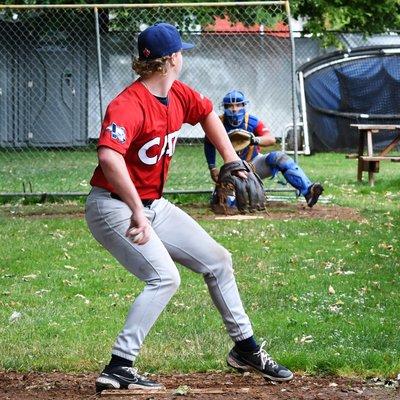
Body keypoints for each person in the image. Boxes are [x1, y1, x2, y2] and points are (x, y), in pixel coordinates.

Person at [85, 23, 293, 393]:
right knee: (164, 277)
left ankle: (245, 349)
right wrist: (135, 209)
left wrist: (233, 162)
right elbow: (109, 156)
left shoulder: (178, 94)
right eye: (182, 51)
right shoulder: (128, 104)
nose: (184, 56)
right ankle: (119, 366)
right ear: (171, 60)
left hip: (153, 205)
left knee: (218, 261)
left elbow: (208, 115)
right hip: (113, 207)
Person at [204, 90, 324, 207]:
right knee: (225, 204)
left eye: (238, 105)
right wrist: (212, 167)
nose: (235, 109)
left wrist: (254, 139)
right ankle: (240, 196)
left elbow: (271, 139)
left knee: (279, 158)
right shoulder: (218, 122)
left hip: (254, 164)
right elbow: (208, 142)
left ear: (244, 105)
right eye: (230, 106)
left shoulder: (251, 121)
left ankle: (309, 191)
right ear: (224, 107)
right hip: (232, 167)